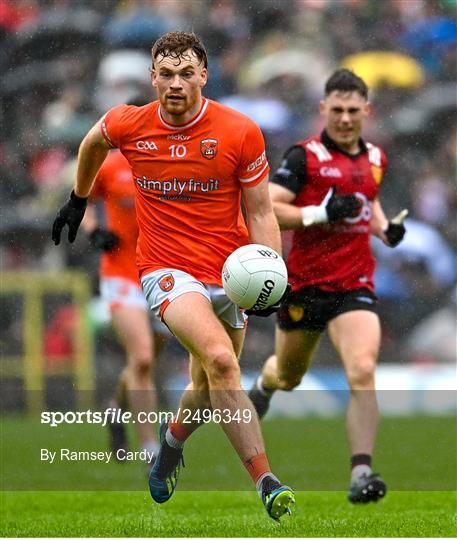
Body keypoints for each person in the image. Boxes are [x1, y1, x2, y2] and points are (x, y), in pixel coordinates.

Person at [51, 31, 294, 521]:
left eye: (187, 73)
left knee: (205, 384)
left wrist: (272, 272)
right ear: (152, 78)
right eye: (166, 74)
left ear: (204, 75)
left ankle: (170, 440)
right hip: (165, 270)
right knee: (223, 363)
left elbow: (262, 211)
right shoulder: (131, 123)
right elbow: (92, 140)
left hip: (232, 273)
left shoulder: (240, 131)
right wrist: (79, 199)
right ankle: (266, 481)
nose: (176, 83)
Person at [248, 69, 407, 504]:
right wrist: (321, 212)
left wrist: (383, 228)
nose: (344, 118)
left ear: (366, 111)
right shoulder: (303, 157)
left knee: (362, 369)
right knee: (289, 375)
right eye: (336, 109)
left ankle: (361, 473)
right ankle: (264, 384)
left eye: (353, 110)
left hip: (355, 285)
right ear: (323, 109)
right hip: (305, 286)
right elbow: (270, 208)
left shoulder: (376, 157)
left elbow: (368, 199)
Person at [81, 141, 169, 469]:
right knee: (143, 358)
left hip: (163, 273)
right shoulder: (110, 166)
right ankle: (151, 450)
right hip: (121, 272)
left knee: (147, 357)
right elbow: (82, 199)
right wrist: (94, 231)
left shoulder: (171, 164)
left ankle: (115, 407)